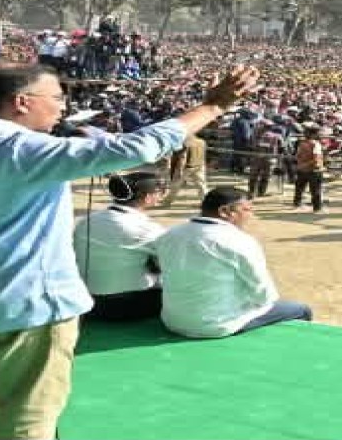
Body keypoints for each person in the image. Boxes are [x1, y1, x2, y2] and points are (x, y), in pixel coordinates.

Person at [0, 63, 258, 440]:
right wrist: (213, 106)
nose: (63, 106)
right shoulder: (22, 149)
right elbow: (137, 148)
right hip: (28, 308)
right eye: (56, 97)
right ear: (21, 102)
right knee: (27, 414)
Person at [154, 186, 312, 338]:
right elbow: (264, 294)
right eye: (247, 210)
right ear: (225, 211)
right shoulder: (239, 241)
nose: (251, 216)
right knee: (301, 309)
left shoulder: (170, 234)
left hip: (172, 321)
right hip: (217, 325)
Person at [74, 172, 167, 322]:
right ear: (148, 197)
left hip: (86, 302)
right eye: (161, 192)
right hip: (125, 306)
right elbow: (170, 263)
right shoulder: (147, 229)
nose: (162, 195)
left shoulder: (86, 221)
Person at [293, 126, 326, 213]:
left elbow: (297, 156)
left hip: (302, 169)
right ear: (314, 134)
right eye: (318, 133)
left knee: (299, 189)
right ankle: (317, 208)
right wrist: (307, 164)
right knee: (315, 190)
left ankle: (297, 204)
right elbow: (316, 159)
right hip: (314, 170)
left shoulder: (301, 144)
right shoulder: (316, 144)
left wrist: (301, 165)